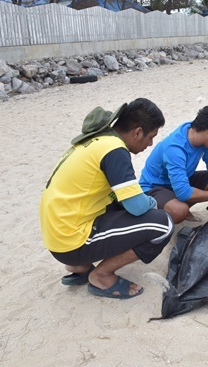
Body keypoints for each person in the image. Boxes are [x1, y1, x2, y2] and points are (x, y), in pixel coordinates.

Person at [39, 98, 175, 299]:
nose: (150, 144)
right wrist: (152, 202)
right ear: (137, 132)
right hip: (71, 241)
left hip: (56, 237)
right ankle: (101, 276)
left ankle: (80, 266)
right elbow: (137, 207)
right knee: (163, 224)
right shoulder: (114, 150)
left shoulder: (93, 142)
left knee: (119, 203)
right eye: (150, 137)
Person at [139, 105, 208, 224]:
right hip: (155, 186)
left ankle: (181, 205)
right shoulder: (175, 149)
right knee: (179, 211)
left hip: (181, 179)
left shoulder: (200, 135)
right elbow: (183, 192)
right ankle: (167, 210)